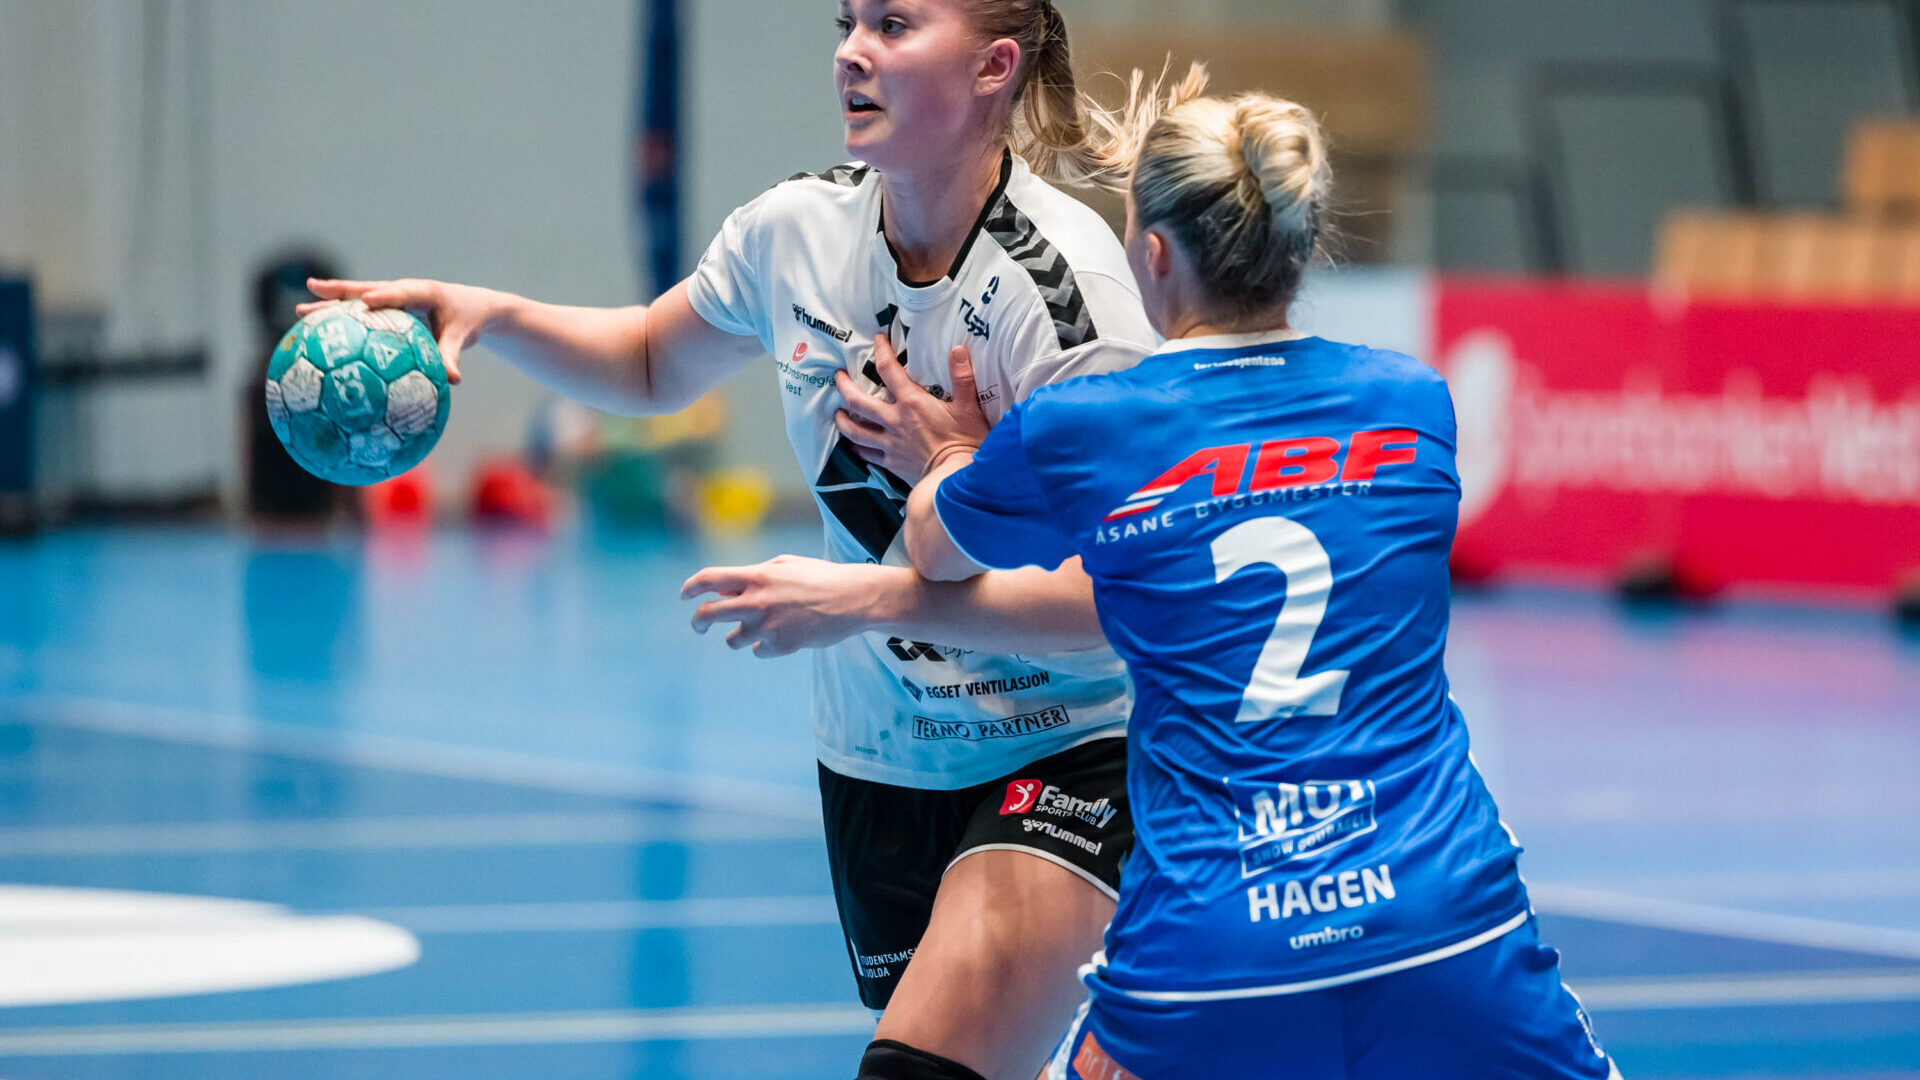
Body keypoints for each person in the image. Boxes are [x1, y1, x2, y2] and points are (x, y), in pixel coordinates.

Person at [302, 3, 1169, 1077]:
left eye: (896, 24)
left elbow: (1121, 599)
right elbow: (652, 360)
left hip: (1069, 747)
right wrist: (494, 313)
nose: (852, 51)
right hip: (879, 755)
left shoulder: (1068, 297)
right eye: (848, 21)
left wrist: (884, 578)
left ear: (995, 66)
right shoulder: (792, 233)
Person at [897, 75, 1623, 1079]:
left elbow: (935, 547)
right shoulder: (1414, 401)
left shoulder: (1085, 426)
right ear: (1298, 243)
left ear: (1154, 256)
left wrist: (950, 458)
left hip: (1213, 947)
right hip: (1442, 920)